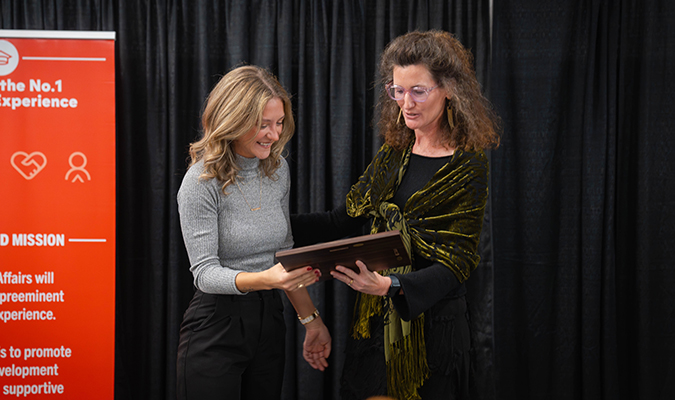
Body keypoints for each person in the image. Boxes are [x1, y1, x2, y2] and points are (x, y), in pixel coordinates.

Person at [291, 30, 500, 400]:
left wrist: (392, 286)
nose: (406, 102)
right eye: (397, 90)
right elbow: (342, 220)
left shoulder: (468, 164)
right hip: (378, 322)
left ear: (449, 89)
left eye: (418, 90)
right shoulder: (394, 152)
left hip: (433, 329)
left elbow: (459, 262)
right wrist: (273, 224)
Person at [175, 65, 331, 400]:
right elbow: (204, 273)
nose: (274, 135)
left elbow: (284, 259)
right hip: (216, 326)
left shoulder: (277, 171)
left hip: (270, 325)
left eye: (278, 123)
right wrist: (267, 279)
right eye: (262, 125)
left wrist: (312, 321)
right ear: (232, 119)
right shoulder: (200, 182)